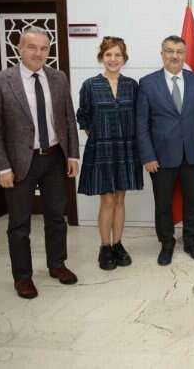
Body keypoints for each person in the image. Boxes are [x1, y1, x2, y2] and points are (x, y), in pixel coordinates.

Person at [0, 26, 80, 299]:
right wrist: (2, 167)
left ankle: (57, 264)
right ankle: (23, 277)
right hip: (19, 163)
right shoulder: (0, 81)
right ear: (20, 49)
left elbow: (68, 119)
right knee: (19, 224)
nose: (38, 53)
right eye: (32, 47)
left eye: (43, 48)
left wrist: (72, 155)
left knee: (56, 217)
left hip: (55, 158)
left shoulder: (58, 78)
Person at [136, 35, 194, 266]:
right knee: (163, 204)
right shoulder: (148, 83)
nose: (174, 56)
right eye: (169, 51)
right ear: (162, 54)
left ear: (184, 54)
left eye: (179, 52)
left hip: (193, 153)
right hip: (160, 157)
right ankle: (166, 244)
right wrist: (148, 156)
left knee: (193, 201)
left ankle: (190, 241)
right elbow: (141, 124)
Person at [77, 36, 143, 271]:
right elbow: (84, 118)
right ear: (101, 57)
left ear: (124, 59)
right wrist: (100, 137)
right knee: (107, 200)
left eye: (117, 55)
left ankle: (118, 244)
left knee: (120, 199)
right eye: (108, 55)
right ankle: (105, 247)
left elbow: (139, 117)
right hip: (102, 149)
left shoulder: (132, 85)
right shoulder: (90, 85)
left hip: (126, 148)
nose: (113, 59)